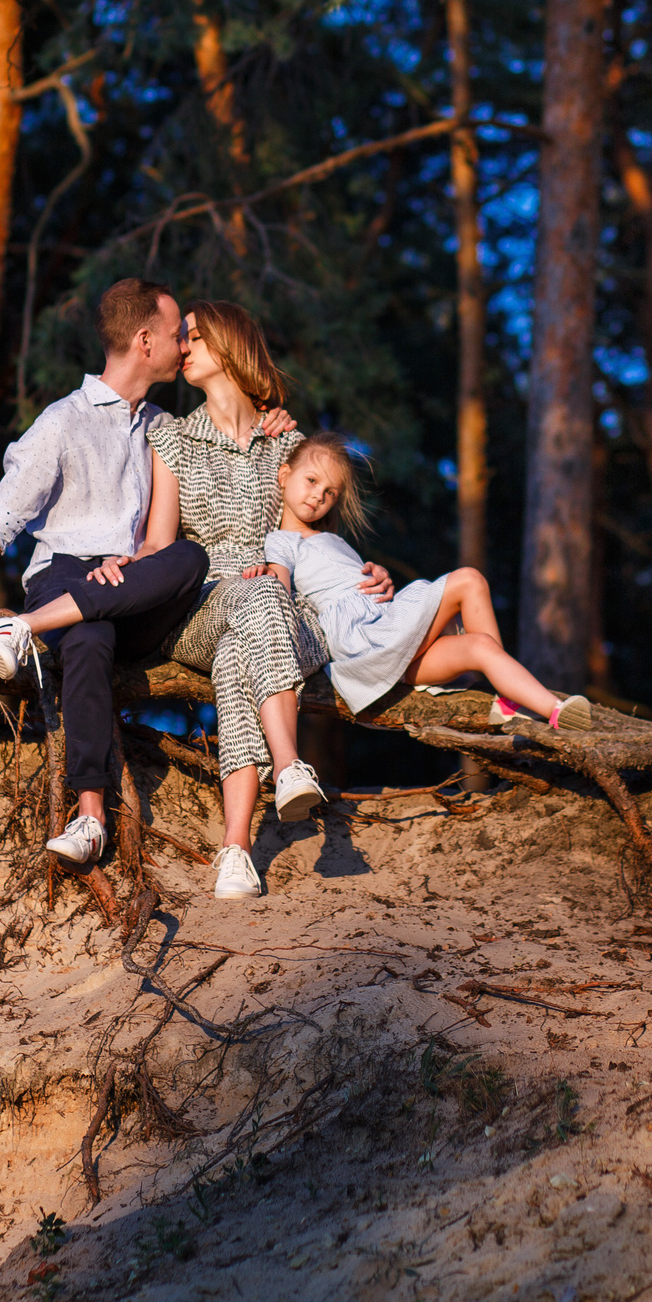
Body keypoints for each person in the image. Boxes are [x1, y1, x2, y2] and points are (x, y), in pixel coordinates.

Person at [0, 278, 220, 872]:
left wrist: (276, 420)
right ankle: (89, 814)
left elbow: (231, 433)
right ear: (143, 340)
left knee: (190, 558)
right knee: (88, 636)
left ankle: (21, 628)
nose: (184, 344)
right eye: (175, 333)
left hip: (132, 585)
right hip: (63, 578)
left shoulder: (162, 427)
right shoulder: (62, 422)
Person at [139, 303, 392, 900]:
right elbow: (159, 541)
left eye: (195, 337)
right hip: (200, 604)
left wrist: (367, 573)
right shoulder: (171, 437)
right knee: (251, 600)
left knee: (241, 650)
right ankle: (287, 766)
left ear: (229, 348)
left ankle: (235, 851)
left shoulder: (290, 443)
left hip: (283, 608)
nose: (183, 348)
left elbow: (310, 541)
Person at [260, 431, 589, 732]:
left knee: (481, 645)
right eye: (312, 480)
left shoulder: (333, 540)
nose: (318, 495)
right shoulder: (282, 540)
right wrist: (260, 577)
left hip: (392, 645)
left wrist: (376, 575)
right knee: (468, 579)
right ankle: (520, 700)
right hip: (370, 643)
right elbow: (279, 587)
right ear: (284, 475)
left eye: (329, 492)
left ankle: (552, 710)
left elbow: (353, 582)